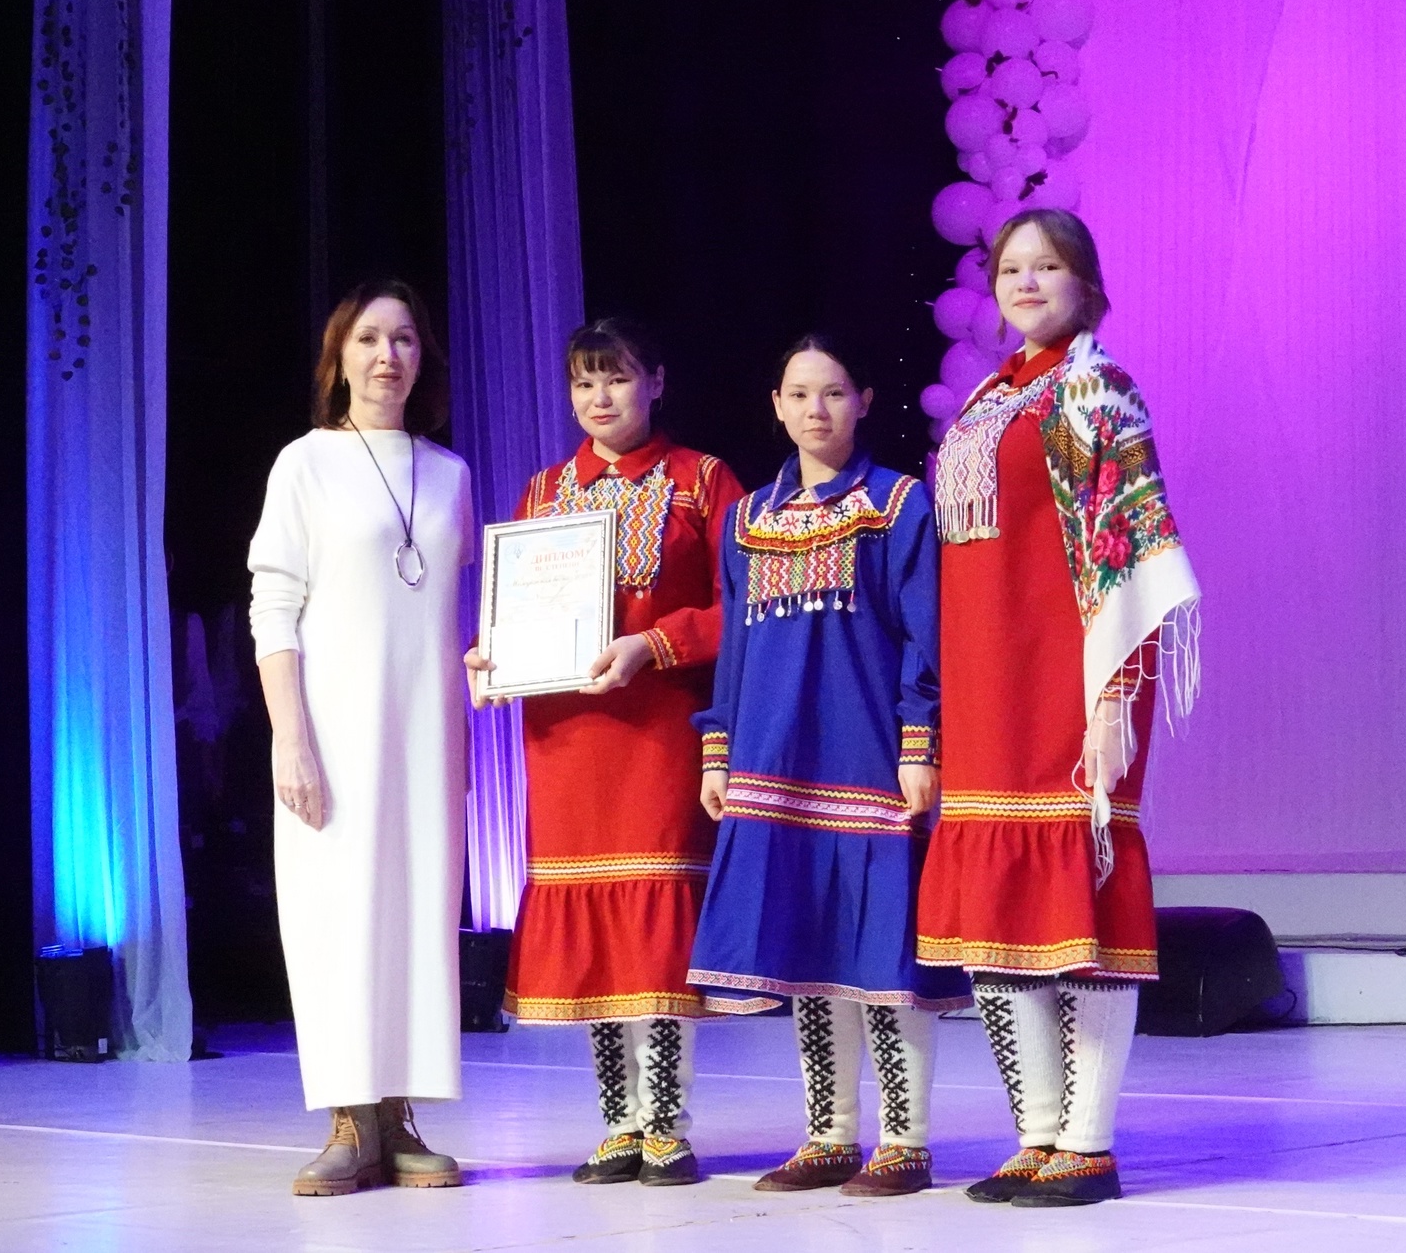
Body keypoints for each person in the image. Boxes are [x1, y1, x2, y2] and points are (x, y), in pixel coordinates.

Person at [916, 208, 1201, 1208]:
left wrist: (1115, 694)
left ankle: (1089, 1141)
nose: (1027, 281)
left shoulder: (1094, 388)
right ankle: (1037, 1131)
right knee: (997, 907)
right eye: (1011, 268)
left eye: (1048, 265)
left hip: (1069, 678)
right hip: (987, 685)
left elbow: (1129, 551)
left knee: (1078, 901)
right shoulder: (988, 398)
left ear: (1086, 282)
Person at [464, 319, 744, 1187]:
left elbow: (742, 604)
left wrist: (653, 644)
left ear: (655, 380)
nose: (599, 397)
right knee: (593, 930)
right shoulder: (543, 491)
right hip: (566, 739)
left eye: (616, 378)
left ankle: (665, 1123)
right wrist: (493, 655)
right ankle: (618, 1124)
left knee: (651, 928)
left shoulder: (702, 480)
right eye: (584, 383)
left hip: (658, 731)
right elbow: (517, 610)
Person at [687, 336, 967, 1199]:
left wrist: (920, 741)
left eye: (835, 392)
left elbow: (925, 633)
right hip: (774, 758)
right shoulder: (747, 519)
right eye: (800, 394)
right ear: (776, 404)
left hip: (867, 754)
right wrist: (719, 745)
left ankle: (905, 1140)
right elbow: (734, 644)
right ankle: (830, 1133)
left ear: (864, 400)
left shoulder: (897, 504)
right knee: (806, 945)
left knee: (882, 950)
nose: (817, 409)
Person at [248, 281, 474, 1196]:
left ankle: (400, 1115)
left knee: (420, 912)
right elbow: (274, 605)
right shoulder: (304, 463)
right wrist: (290, 737)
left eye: (405, 339)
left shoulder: (449, 472)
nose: (389, 356)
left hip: (428, 734)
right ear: (339, 357)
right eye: (371, 339)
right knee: (337, 916)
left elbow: (456, 607)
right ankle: (349, 1117)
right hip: (334, 731)